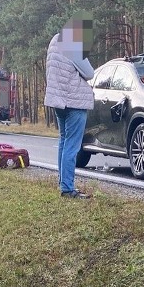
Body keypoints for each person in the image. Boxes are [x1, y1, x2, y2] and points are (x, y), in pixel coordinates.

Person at [44, 15, 95, 199]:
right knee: (72, 146)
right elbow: (89, 73)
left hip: (58, 99)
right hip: (74, 101)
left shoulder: (55, 41)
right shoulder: (72, 44)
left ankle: (63, 183)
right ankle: (67, 188)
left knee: (64, 141)